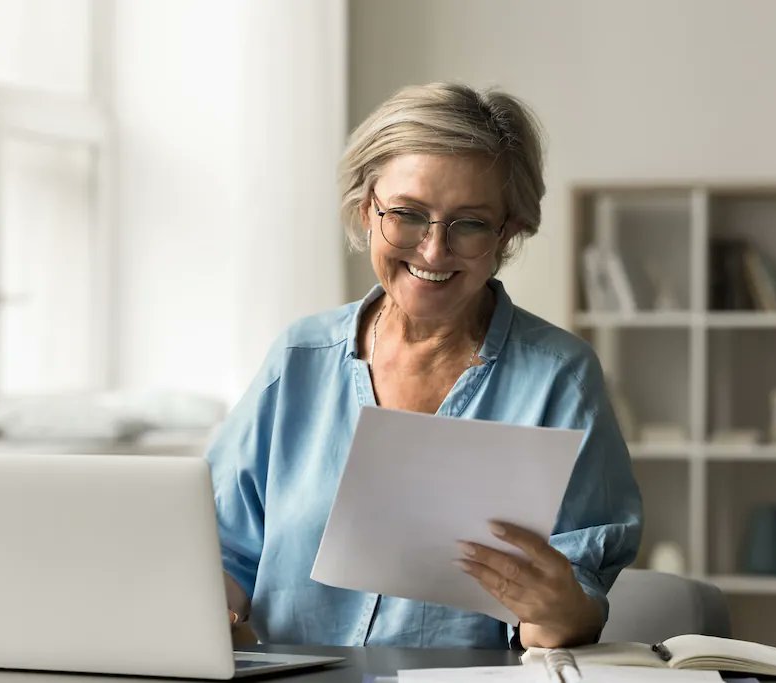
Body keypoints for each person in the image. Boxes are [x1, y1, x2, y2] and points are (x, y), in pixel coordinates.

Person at [206, 82, 642, 650]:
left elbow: (566, 610)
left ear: (507, 232)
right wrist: (209, 613)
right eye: (408, 215)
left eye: (469, 223)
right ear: (367, 210)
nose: (434, 251)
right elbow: (222, 553)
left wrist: (560, 611)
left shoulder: (559, 377)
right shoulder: (298, 359)